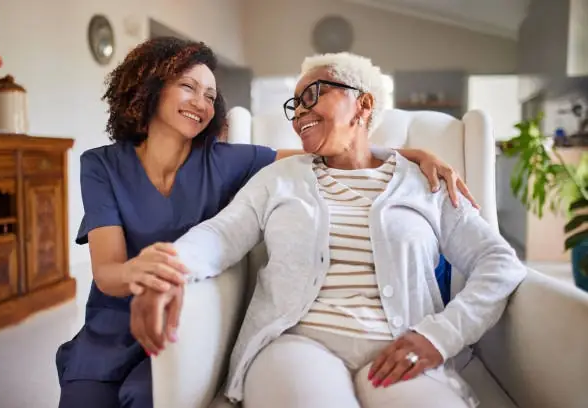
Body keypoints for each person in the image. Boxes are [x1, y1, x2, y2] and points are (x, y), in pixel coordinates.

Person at [56, 36, 478, 408]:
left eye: (209, 94)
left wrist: (409, 156)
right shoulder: (101, 165)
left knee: (145, 397)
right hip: (113, 326)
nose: (201, 103)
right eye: (188, 87)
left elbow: (330, 154)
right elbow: (108, 273)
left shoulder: (228, 160)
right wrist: (151, 273)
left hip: (185, 318)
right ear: (149, 88)